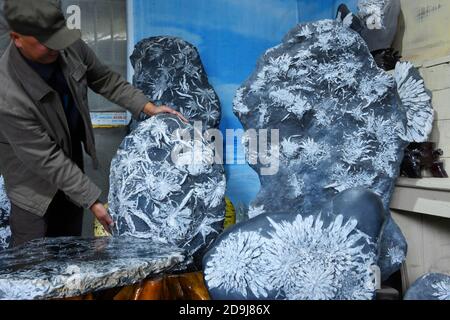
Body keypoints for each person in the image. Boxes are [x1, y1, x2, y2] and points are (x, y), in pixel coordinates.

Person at [0, 0, 187, 247]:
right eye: (46, 42)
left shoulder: (67, 47)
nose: (56, 48)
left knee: (69, 247)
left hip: (69, 160)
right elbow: (46, 159)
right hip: (32, 182)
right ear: (17, 38)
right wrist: (93, 201)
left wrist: (147, 107)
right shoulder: (7, 94)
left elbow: (104, 78)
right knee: (32, 258)